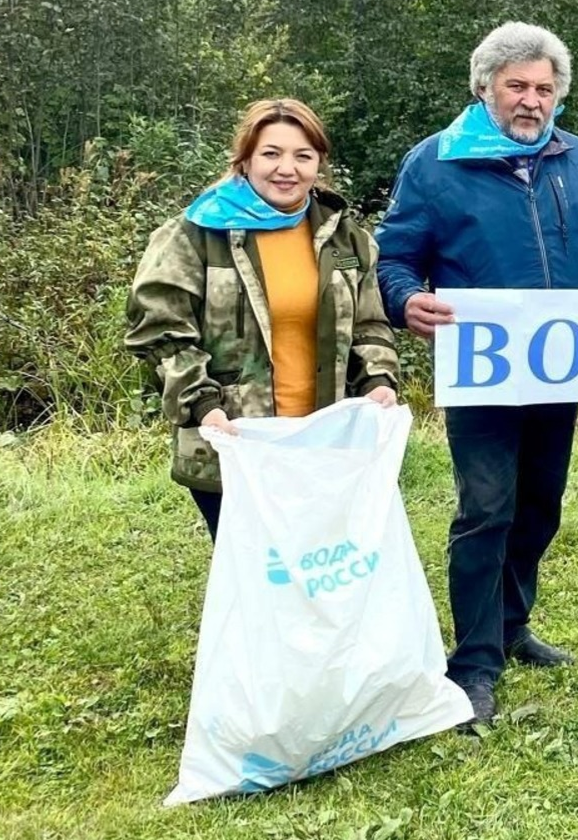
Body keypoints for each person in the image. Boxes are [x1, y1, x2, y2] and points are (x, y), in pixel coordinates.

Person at [375, 22, 578, 725]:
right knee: (486, 508)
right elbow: (394, 257)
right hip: (482, 374)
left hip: (562, 372)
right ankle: (474, 662)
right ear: (485, 86)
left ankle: (513, 626)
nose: (531, 100)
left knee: (541, 504)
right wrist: (404, 298)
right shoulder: (436, 163)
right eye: (517, 85)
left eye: (544, 88)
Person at [125, 98, 400, 542]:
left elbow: (369, 325)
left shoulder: (347, 238)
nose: (286, 169)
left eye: (303, 156)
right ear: (245, 158)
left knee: (321, 565)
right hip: (234, 443)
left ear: (319, 163)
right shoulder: (195, 234)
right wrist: (204, 407)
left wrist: (378, 381)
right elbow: (160, 333)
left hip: (325, 443)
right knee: (254, 569)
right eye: (271, 153)